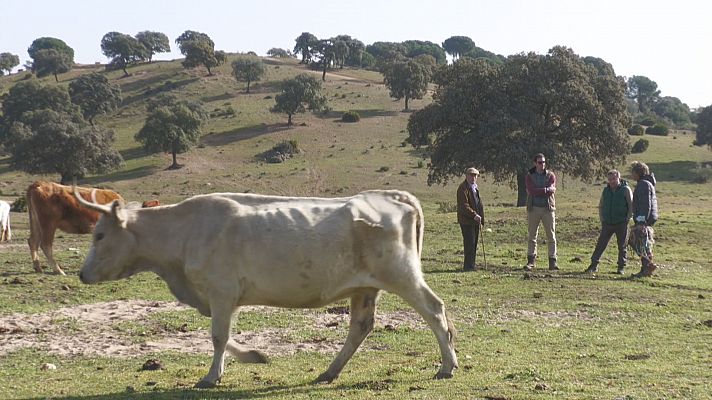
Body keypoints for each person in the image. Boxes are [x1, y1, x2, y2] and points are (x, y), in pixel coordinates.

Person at [585, 170, 632, 274]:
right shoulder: (606, 191)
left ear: (618, 178)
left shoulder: (625, 190)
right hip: (607, 223)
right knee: (601, 244)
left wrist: (627, 219)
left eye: (614, 179)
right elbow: (601, 205)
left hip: (621, 222)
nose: (612, 181)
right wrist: (602, 219)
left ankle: (621, 268)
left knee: (622, 246)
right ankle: (593, 265)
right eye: (610, 179)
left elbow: (631, 205)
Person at [524, 153, 558, 271]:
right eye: (539, 162)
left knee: (551, 235)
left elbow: (551, 191)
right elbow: (531, 191)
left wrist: (543, 190)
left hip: (548, 209)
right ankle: (531, 261)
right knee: (532, 235)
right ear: (535, 163)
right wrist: (545, 189)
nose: (542, 164)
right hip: (533, 208)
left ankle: (552, 261)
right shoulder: (529, 176)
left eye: (543, 162)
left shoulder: (550, 175)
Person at [630, 161, 658, 277]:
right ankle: (647, 267)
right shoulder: (646, 183)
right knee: (643, 243)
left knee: (639, 241)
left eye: (633, 172)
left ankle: (647, 267)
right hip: (647, 218)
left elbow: (645, 204)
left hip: (644, 219)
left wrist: (641, 221)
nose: (632, 175)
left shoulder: (643, 184)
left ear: (638, 172)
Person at [457, 167, 484, 271]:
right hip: (466, 221)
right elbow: (464, 206)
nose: (473, 177)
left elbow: (478, 204)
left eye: (475, 175)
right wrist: (474, 215)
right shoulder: (462, 189)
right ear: (467, 176)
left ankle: (471, 265)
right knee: (469, 243)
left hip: (475, 221)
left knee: (474, 243)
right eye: (471, 175)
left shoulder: (475, 188)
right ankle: (468, 267)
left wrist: (480, 218)